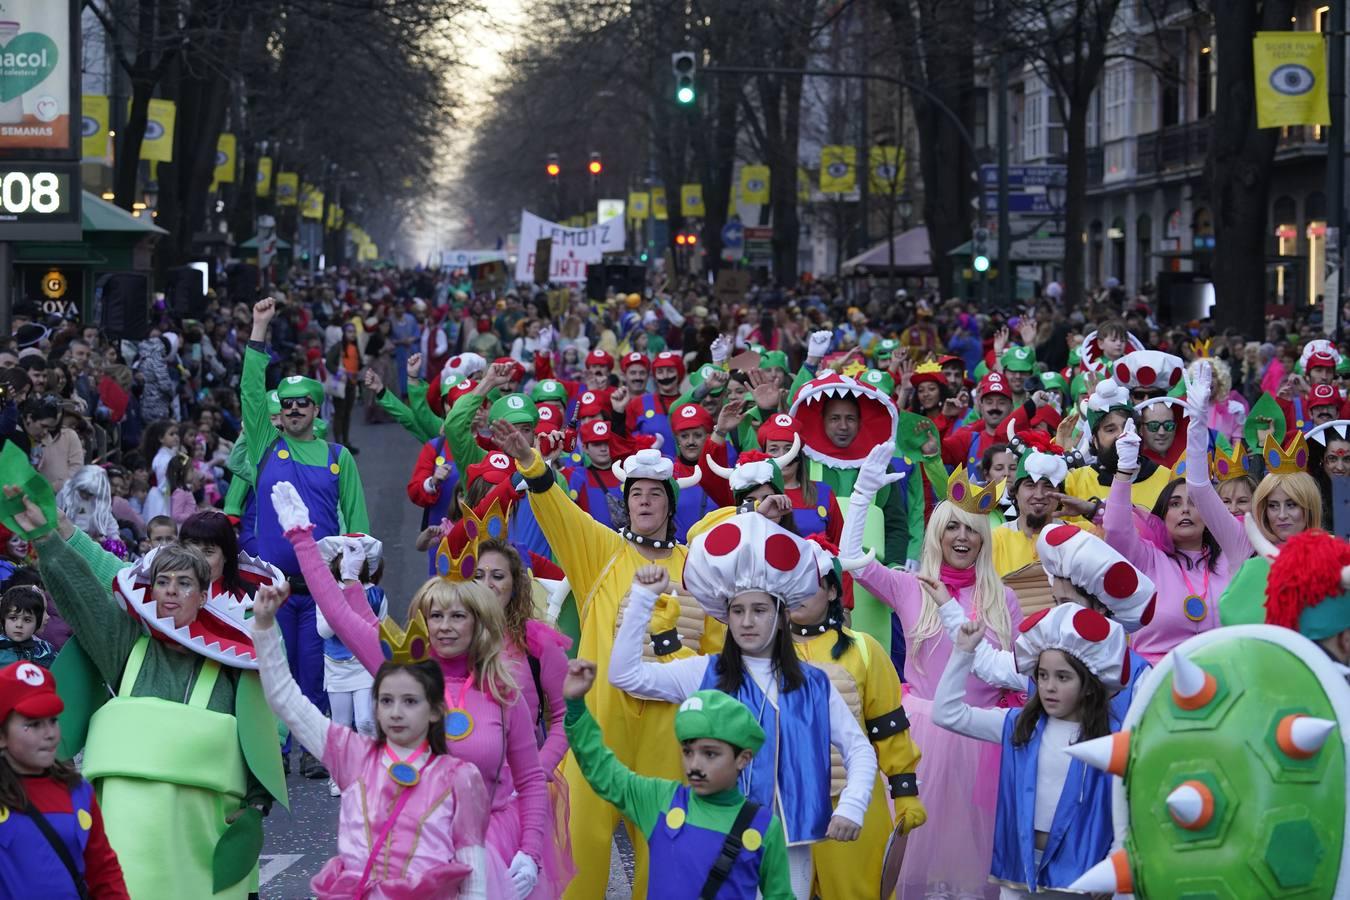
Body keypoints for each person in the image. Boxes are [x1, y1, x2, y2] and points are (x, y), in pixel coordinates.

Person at [268, 481, 557, 898]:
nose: (444, 625)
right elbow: (337, 613)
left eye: (458, 615)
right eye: (435, 614)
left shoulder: (501, 688)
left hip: (490, 853)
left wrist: (530, 853)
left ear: (478, 622)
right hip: (409, 854)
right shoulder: (404, 673)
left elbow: (529, 781)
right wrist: (301, 538)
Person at [12, 492, 286, 900]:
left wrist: (256, 808)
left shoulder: (236, 663)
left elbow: (260, 736)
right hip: (129, 844)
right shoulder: (126, 645)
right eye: (162, 582)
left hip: (202, 842)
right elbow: (82, 595)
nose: (171, 592)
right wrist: (45, 536)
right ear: (151, 590)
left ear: (203, 595)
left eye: (184, 583)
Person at [608, 518, 878, 900]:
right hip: (715, 838)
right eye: (737, 611)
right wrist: (641, 600)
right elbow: (625, 675)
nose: (747, 621)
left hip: (790, 848)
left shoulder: (814, 684)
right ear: (726, 616)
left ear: (781, 616)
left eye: (759, 610)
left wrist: (852, 805)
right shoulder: (704, 671)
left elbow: (860, 749)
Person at [494, 423, 702, 900]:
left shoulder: (695, 565)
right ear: (626, 502)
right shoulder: (603, 553)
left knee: (665, 857)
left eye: (655, 494)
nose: (644, 501)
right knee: (579, 855)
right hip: (597, 732)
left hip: (667, 737)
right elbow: (559, 515)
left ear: (671, 504)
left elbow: (717, 646)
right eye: (636, 494)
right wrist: (532, 462)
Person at [840, 443, 1022, 900]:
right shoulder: (910, 586)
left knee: (973, 862)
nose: (962, 537)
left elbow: (1016, 675)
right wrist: (863, 494)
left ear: (985, 538)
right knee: (911, 855)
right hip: (921, 736)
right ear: (937, 534)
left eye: (972, 530)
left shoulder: (1005, 599)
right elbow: (851, 561)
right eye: (952, 527)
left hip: (983, 740)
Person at [249, 581, 497, 898]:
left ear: (436, 710)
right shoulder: (353, 756)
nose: (396, 712)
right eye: (386, 700)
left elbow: (471, 867)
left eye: (410, 701)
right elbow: (288, 702)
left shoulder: (458, 777)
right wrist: (266, 626)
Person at [244, 297, 370, 779]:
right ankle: (274, 750)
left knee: (317, 672)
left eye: (303, 404)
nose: (294, 410)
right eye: (288, 404)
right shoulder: (265, 445)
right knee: (273, 670)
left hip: (321, 590)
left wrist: (360, 587)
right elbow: (251, 393)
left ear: (318, 408)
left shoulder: (340, 457)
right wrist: (260, 327)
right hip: (270, 587)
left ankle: (317, 748)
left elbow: (358, 525)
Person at [934, 603, 1127, 897]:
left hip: (1080, 875)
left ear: (1088, 686)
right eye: (1043, 675)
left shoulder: (1111, 740)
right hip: (1019, 872)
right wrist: (963, 652)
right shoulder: (1018, 725)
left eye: (1063, 677)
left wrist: (1114, 862)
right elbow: (946, 714)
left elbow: (1124, 809)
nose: (1049, 687)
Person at [564, 661, 794, 898]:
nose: (694, 765)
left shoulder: (765, 826)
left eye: (710, 754)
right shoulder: (661, 800)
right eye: (688, 752)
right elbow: (605, 771)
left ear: (743, 759)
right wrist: (576, 707)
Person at [790, 535, 925, 899]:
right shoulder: (763, 650)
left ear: (833, 592)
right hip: (783, 805)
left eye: (810, 583)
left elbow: (889, 727)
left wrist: (905, 794)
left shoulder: (864, 649)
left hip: (852, 804)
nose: (798, 592)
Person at [0, 660, 129, 899]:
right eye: (33, 725)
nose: (49, 734)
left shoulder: (78, 791)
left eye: (53, 720)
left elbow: (103, 870)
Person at [314, 534, 387, 797]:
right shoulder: (325, 593)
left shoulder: (376, 595)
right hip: (336, 667)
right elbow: (323, 630)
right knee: (341, 724)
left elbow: (381, 631)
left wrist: (353, 598)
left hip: (364, 664)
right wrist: (341, 603)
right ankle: (339, 775)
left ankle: (370, 771)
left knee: (367, 721)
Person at [0, 585, 55, 667]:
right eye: (13, 618)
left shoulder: (46, 651)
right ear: (3, 619)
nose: (19, 625)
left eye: (27, 620)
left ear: (37, 623)